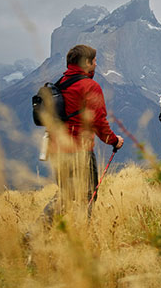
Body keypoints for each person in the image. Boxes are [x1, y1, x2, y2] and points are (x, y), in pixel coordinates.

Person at [45, 44, 124, 217]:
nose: (96, 64)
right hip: (79, 150)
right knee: (87, 195)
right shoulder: (89, 86)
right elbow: (98, 121)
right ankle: (83, 235)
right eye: (94, 61)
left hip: (56, 149)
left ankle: (36, 234)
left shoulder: (59, 84)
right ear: (86, 63)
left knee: (66, 194)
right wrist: (114, 140)